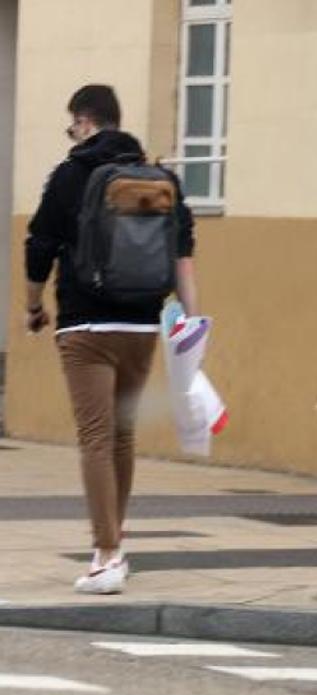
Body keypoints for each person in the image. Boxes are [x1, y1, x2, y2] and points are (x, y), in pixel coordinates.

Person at [25, 84, 198, 595]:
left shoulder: (69, 175)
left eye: (72, 126)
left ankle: (106, 556)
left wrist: (34, 306)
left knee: (95, 438)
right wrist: (191, 320)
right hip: (143, 324)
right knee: (121, 437)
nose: (72, 134)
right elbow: (183, 252)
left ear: (83, 121)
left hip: (86, 325)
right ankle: (114, 544)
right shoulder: (161, 179)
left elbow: (39, 247)